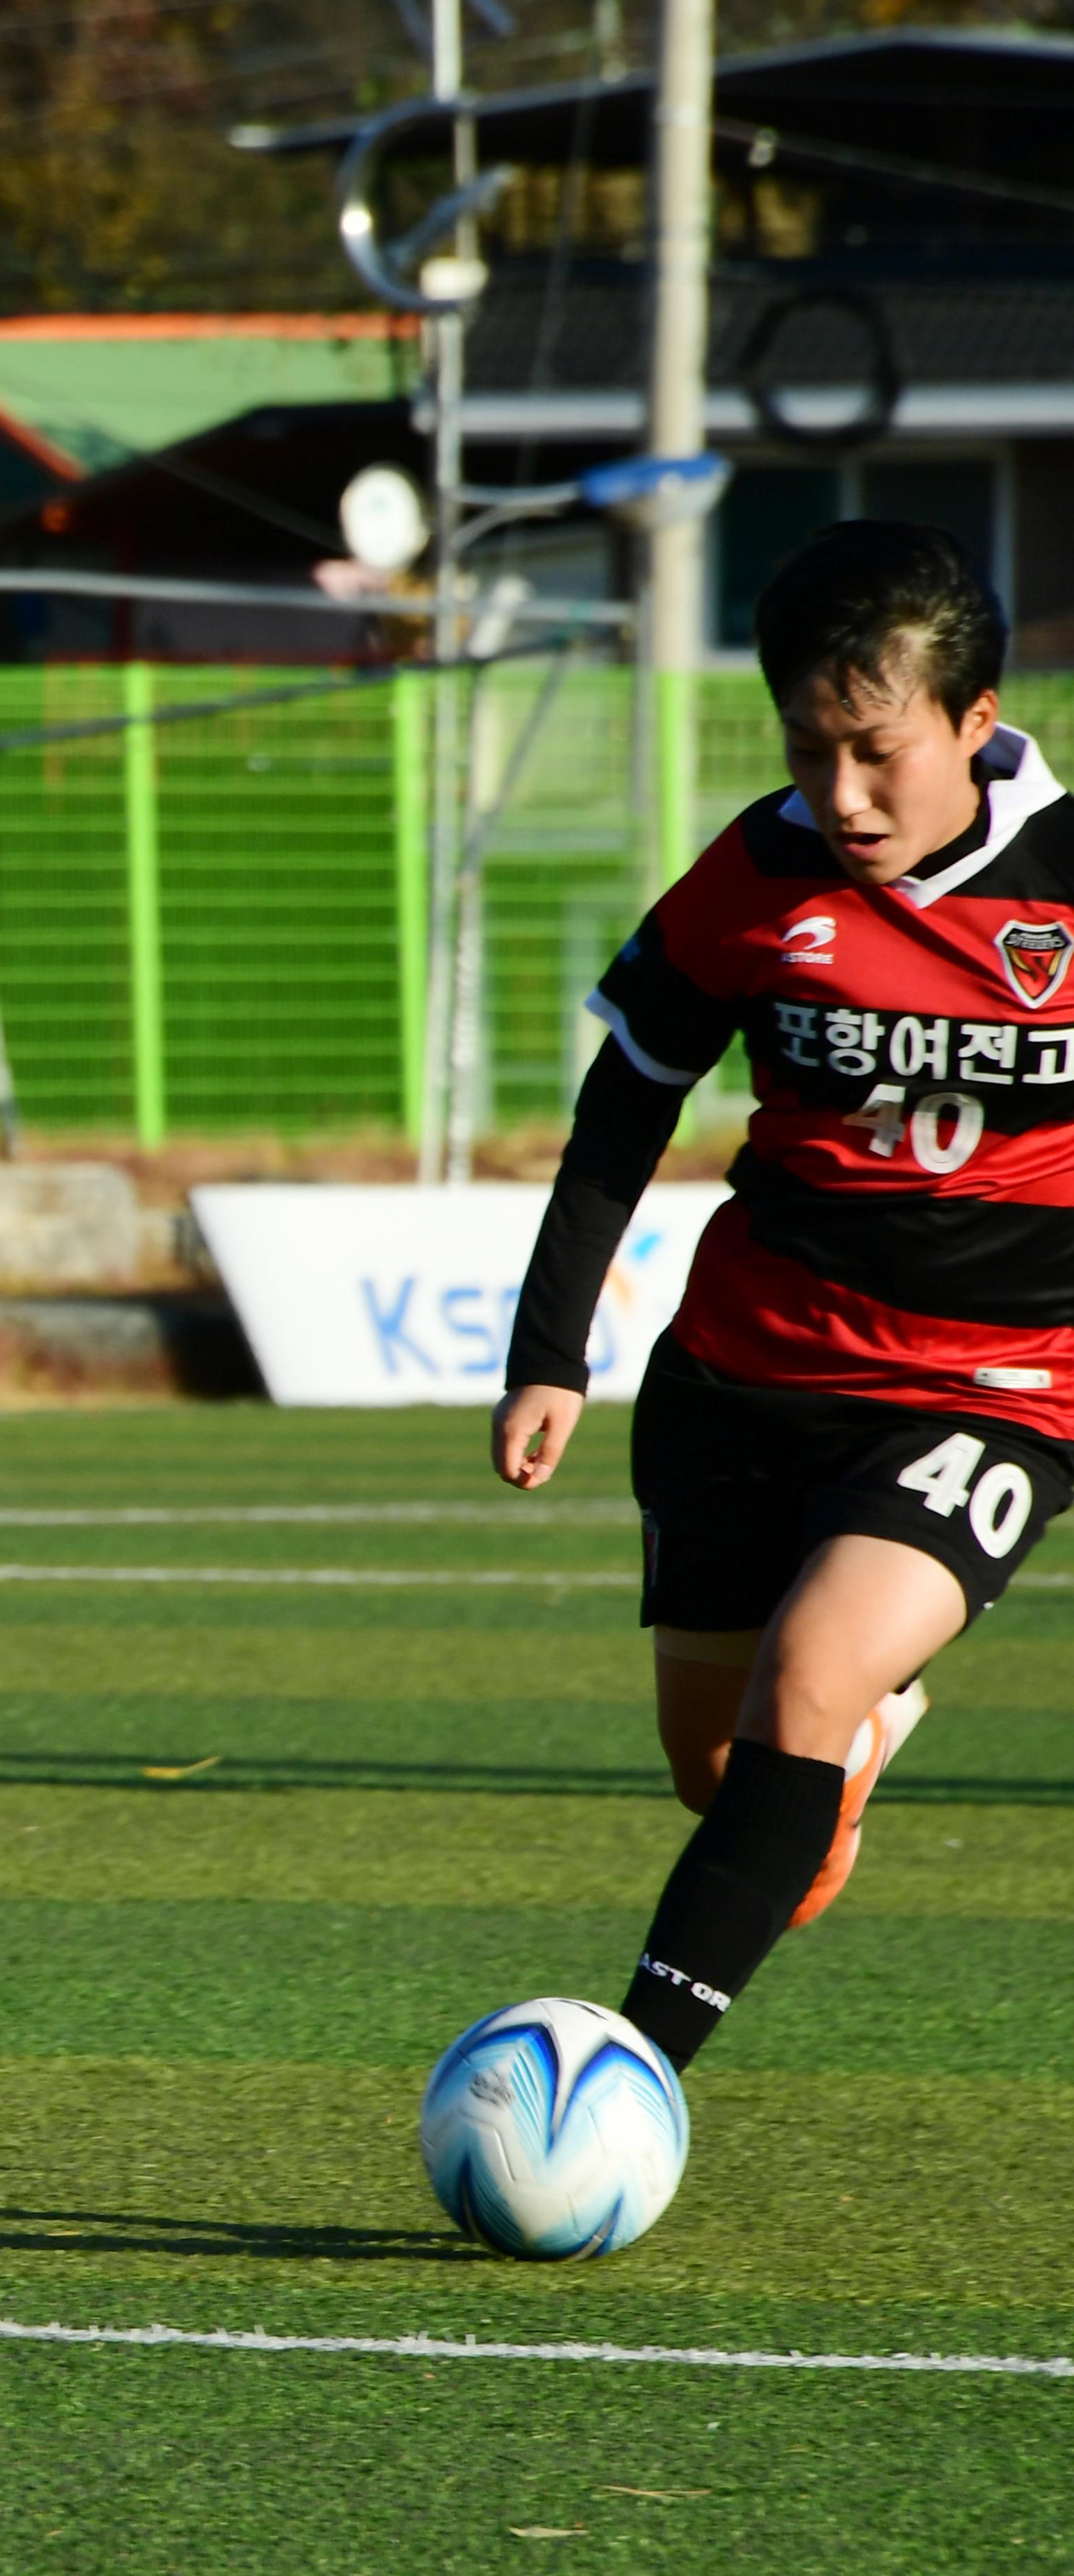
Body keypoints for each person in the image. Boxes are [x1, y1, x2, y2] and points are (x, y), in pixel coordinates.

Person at [494, 519, 1071, 2083]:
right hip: (746, 1370)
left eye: (877, 750)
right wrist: (550, 1349)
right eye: (809, 749)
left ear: (975, 716)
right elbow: (629, 1102)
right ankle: (855, 1741)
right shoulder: (760, 871)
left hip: (999, 1385)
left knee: (811, 1673)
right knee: (727, 1770)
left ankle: (626, 2076)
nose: (844, 794)